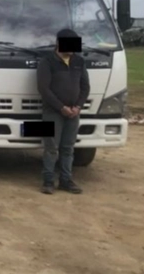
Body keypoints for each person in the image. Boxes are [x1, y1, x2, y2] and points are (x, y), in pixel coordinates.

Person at [36, 29, 89, 194]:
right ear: (59, 43)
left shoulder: (79, 61)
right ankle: (48, 181)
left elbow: (85, 87)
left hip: (73, 113)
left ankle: (66, 180)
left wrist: (78, 106)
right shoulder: (47, 62)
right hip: (52, 112)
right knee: (51, 147)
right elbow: (44, 89)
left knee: (68, 148)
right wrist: (61, 107)